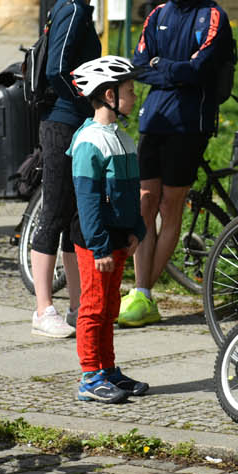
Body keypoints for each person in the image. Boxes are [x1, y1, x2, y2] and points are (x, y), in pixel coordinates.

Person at [126, 0, 232, 328]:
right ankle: (141, 291)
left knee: (171, 207)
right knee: (144, 202)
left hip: (190, 123)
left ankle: (143, 292)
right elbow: (139, 66)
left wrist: (163, 67)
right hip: (154, 120)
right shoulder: (157, 15)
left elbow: (200, 70)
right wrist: (173, 69)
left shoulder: (214, 15)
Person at [30, 0, 105, 339]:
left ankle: (79, 305)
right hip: (62, 121)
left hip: (70, 121)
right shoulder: (74, 9)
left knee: (75, 216)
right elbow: (58, 68)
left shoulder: (69, 5)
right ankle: (43, 309)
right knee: (55, 213)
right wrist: (86, 97)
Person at [67, 55, 148, 404]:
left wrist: (137, 229)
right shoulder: (89, 141)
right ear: (108, 95)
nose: (134, 97)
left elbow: (131, 192)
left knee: (110, 306)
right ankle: (89, 375)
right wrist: (100, 247)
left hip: (118, 238)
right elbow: (87, 202)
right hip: (95, 241)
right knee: (94, 306)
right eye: (129, 90)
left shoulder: (124, 139)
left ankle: (108, 369)